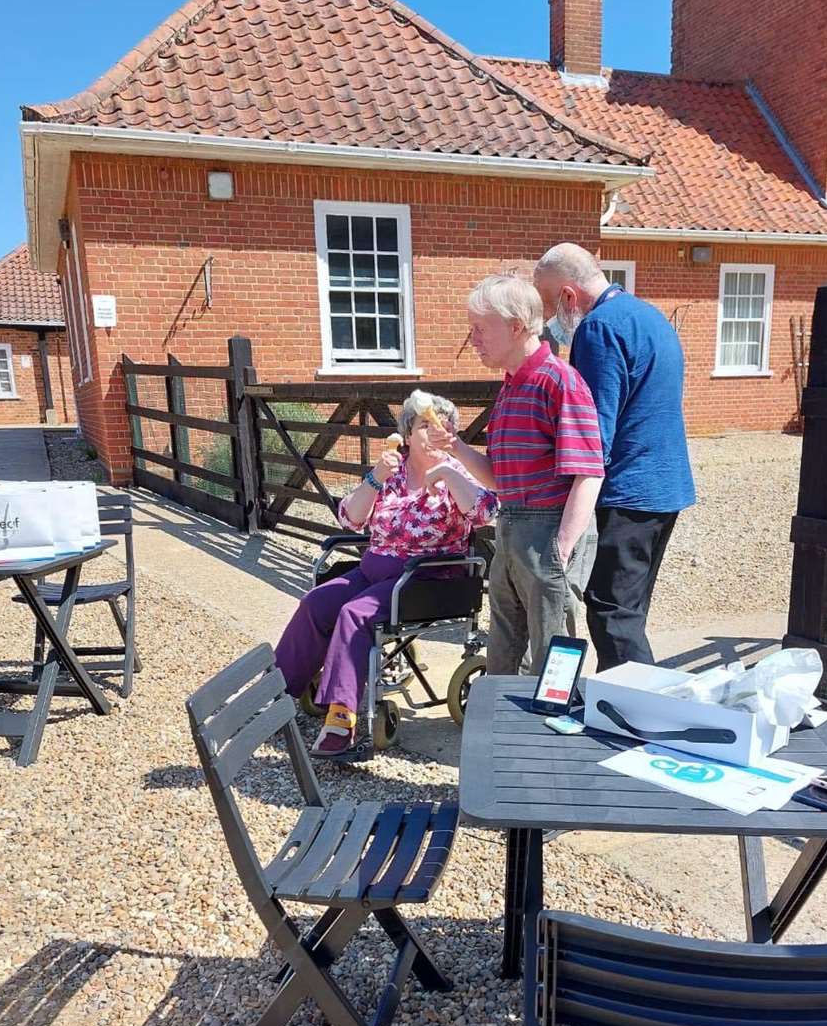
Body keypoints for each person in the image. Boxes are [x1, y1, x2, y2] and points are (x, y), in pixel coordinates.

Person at [274, 391, 497, 756]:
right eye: (427, 424)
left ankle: (341, 720)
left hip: (427, 580)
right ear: (407, 434)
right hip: (373, 573)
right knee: (316, 603)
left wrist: (447, 473)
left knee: (355, 614)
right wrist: (375, 477)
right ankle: (278, 694)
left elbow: (486, 512)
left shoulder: (457, 473)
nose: (438, 431)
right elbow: (350, 518)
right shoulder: (391, 473)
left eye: (445, 425)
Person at [428, 274, 604, 676]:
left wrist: (560, 548)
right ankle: (503, 728)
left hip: (549, 528)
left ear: (515, 325)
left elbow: (589, 473)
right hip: (511, 525)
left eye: (479, 328)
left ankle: (552, 732)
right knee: (504, 648)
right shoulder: (511, 388)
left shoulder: (560, 381)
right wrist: (454, 446)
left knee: (554, 653)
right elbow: (498, 479)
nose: (472, 338)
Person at [534, 243, 695, 670]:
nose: (552, 319)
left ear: (569, 295)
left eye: (551, 303)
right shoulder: (648, 315)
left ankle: (633, 718)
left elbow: (592, 433)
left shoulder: (598, 328)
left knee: (611, 611)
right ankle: (632, 706)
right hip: (666, 486)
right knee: (629, 609)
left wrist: (558, 498)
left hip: (631, 490)